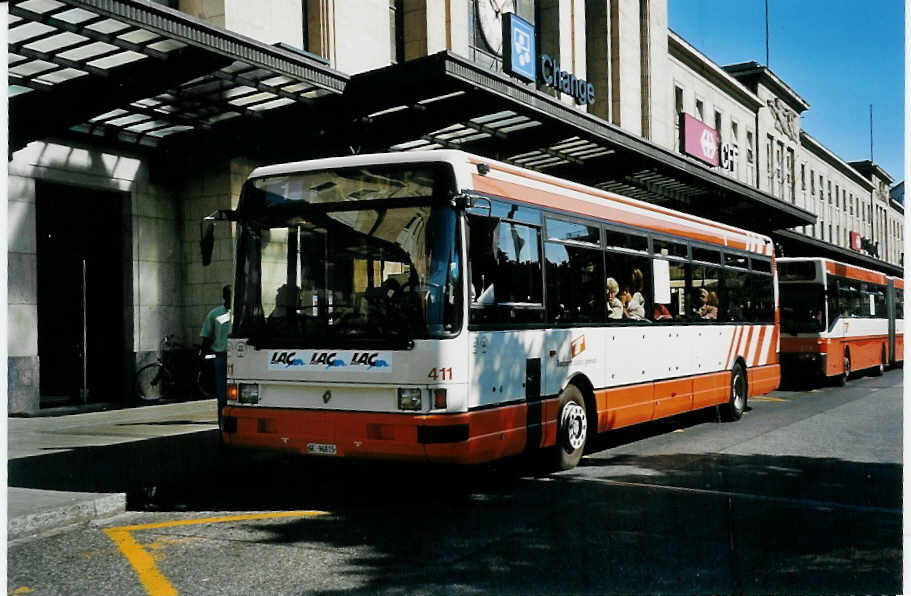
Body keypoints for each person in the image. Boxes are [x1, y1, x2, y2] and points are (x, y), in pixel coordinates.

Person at [200, 285, 231, 429]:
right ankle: (222, 424)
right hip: (221, 357)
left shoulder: (243, 312)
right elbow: (206, 337)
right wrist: (202, 357)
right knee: (222, 395)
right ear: (224, 296)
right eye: (229, 295)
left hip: (241, 357)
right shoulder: (215, 314)